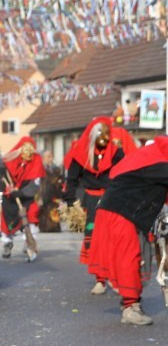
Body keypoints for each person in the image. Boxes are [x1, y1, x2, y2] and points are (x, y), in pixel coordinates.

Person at [88, 137, 168, 325]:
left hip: (120, 212)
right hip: (120, 213)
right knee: (129, 258)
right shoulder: (156, 163)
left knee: (136, 258)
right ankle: (130, 308)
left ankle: (131, 305)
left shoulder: (148, 158)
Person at [63, 117, 137, 292]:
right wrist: (70, 201)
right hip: (90, 201)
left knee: (114, 239)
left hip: (111, 200)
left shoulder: (116, 152)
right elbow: (72, 179)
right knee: (95, 239)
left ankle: (114, 275)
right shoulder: (80, 153)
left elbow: (124, 175)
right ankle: (100, 279)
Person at [0, 136, 44, 261]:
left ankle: (28, 242)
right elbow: (1, 164)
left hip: (26, 196)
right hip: (10, 195)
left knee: (32, 214)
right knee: (7, 219)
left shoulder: (37, 160)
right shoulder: (11, 157)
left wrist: (21, 193)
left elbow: (35, 184)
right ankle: (7, 242)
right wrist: (0, 169)